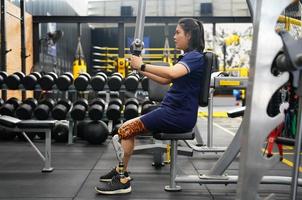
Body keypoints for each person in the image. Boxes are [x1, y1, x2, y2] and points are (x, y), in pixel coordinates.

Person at [95, 18, 206, 195]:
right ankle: (120, 171)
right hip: (171, 112)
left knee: (125, 130)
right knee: (126, 129)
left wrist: (143, 64)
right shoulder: (188, 57)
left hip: (177, 115)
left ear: (189, 35)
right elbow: (166, 79)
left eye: (178, 32)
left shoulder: (195, 57)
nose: (174, 36)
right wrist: (140, 69)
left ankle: (123, 179)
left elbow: (171, 72)